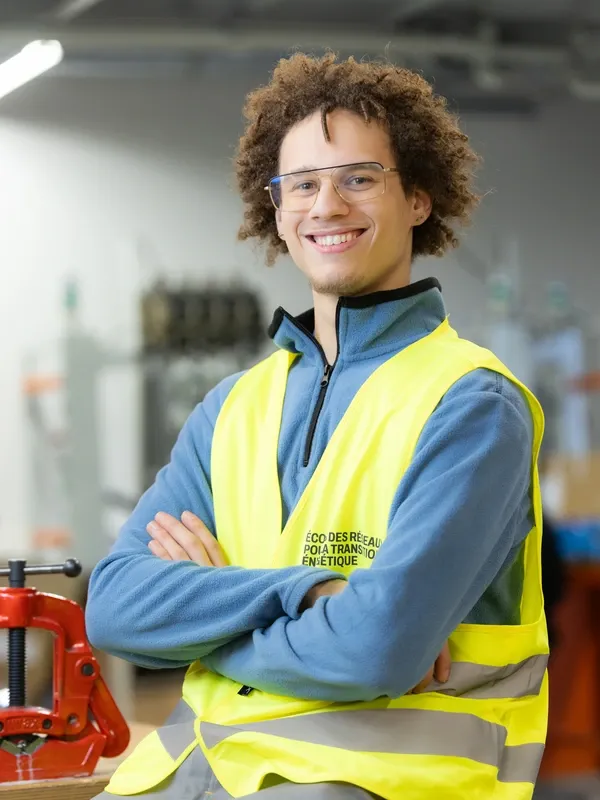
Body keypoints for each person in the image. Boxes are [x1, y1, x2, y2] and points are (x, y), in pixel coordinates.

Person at [87, 53, 548, 799]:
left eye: (358, 178)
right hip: (190, 774)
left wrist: (204, 627)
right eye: (300, 184)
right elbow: (114, 609)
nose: (324, 205)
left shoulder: (471, 405)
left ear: (421, 198)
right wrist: (308, 595)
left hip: (372, 781)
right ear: (275, 209)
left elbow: (374, 649)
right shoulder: (233, 406)